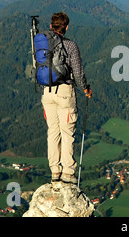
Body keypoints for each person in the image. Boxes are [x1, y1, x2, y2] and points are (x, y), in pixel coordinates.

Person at [41, 12, 92, 185]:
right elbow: (77, 73)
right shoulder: (70, 45)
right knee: (67, 132)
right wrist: (85, 88)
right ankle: (68, 173)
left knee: (53, 132)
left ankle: (55, 170)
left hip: (47, 92)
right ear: (67, 27)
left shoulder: (43, 44)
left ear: (51, 26)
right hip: (65, 92)